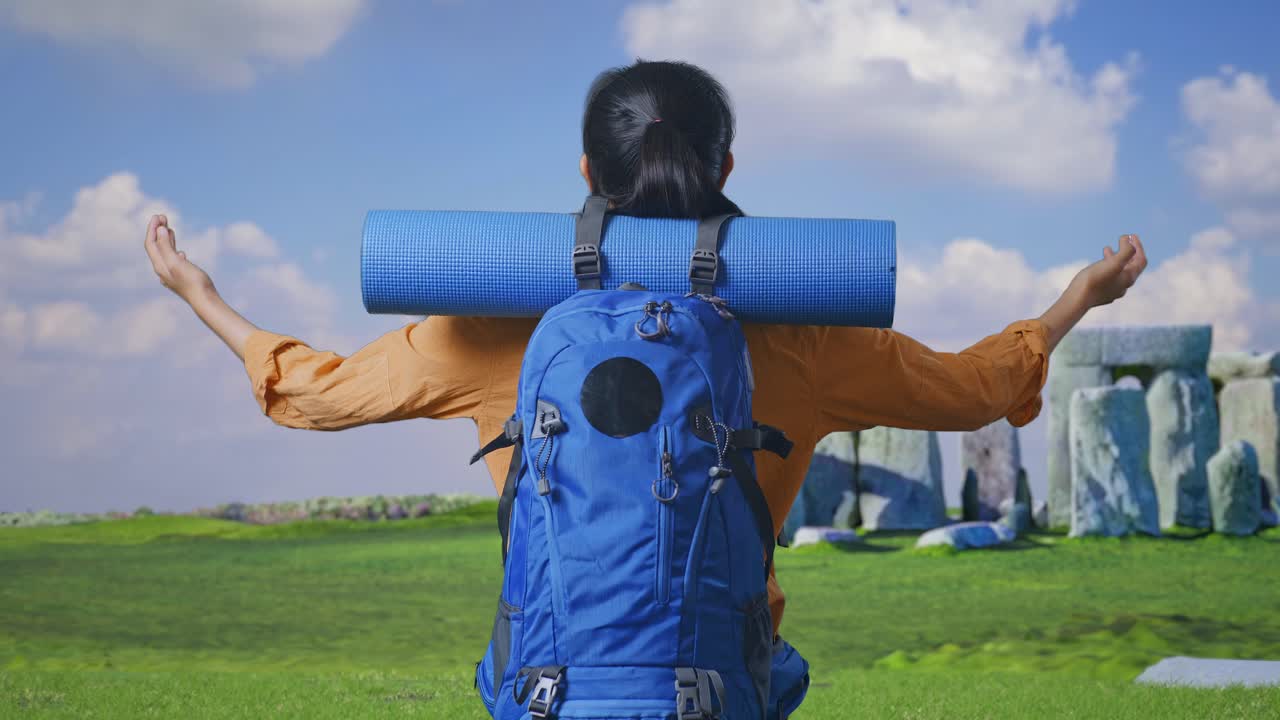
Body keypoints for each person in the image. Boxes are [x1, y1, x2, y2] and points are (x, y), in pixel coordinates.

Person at [144, 59, 1147, 715]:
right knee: (778, 671)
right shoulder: (802, 335)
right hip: (718, 688)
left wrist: (204, 296)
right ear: (727, 165)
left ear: (585, 168)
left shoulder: (499, 329)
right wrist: (1072, 301)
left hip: (547, 688)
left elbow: (317, 395)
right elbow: (972, 390)